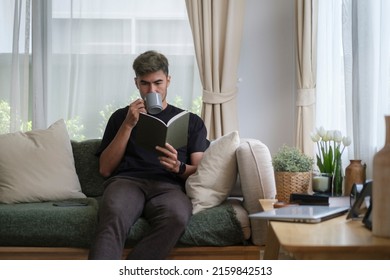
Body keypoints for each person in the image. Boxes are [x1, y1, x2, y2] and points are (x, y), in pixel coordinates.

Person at [88, 50, 209, 260]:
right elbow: (105, 169)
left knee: (178, 217)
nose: (152, 89)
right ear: (136, 83)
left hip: (168, 186)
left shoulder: (192, 121)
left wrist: (178, 167)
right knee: (113, 215)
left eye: (158, 83)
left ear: (168, 81)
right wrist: (128, 124)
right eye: (145, 83)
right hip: (128, 182)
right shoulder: (120, 117)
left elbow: (200, 171)